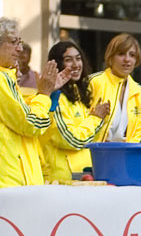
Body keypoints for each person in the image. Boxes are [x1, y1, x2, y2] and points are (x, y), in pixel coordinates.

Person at [0, 17, 68, 187]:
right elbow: (31, 124)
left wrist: (46, 93)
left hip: (17, 184)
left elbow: (28, 121)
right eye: (14, 42)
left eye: (20, 42)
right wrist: (44, 95)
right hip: (9, 185)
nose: (20, 49)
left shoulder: (6, 78)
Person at [40, 41, 110, 182]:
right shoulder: (54, 97)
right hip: (60, 181)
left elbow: (90, 138)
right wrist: (96, 119)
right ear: (57, 65)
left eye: (78, 58)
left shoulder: (81, 94)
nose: (75, 65)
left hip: (84, 178)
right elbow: (72, 140)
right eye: (68, 60)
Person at [89, 33, 141, 143]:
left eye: (132, 55)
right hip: (92, 155)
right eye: (121, 54)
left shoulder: (140, 93)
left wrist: (128, 153)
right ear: (111, 56)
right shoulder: (94, 82)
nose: (127, 59)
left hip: (126, 157)